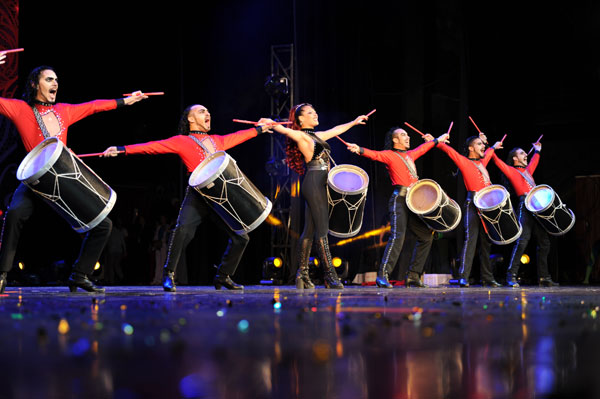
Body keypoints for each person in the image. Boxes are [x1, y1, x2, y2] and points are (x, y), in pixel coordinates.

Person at [0, 61, 148, 294]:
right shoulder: (22, 110)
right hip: (34, 182)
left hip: (63, 181)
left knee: (104, 225)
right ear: (33, 83)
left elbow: (93, 107)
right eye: (49, 79)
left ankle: (80, 275)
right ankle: (1, 274)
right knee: (15, 212)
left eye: (56, 79)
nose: (55, 83)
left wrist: (125, 101)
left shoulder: (64, 111)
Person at [102, 104, 272, 291]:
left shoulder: (217, 141)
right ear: (190, 119)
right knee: (182, 230)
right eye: (201, 111)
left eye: (208, 111)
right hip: (198, 194)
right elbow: (152, 147)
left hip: (219, 197)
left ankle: (223, 276)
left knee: (242, 238)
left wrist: (260, 128)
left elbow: (240, 136)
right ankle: (168, 274)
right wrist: (122, 149)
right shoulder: (182, 141)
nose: (207, 113)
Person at [263, 104, 368, 289]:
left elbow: (336, 130)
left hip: (320, 183)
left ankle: (302, 274)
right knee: (322, 230)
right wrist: (272, 124)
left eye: (315, 111)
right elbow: (285, 131)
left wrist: (354, 122)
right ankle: (330, 275)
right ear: (300, 120)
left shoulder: (316, 136)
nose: (315, 114)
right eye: (310, 112)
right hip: (314, 182)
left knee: (309, 231)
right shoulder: (302, 136)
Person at [346, 127, 449, 288]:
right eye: (403, 135)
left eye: (407, 134)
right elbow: (375, 154)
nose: (407, 137)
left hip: (414, 202)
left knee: (426, 237)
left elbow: (424, 147)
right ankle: (383, 275)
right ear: (395, 140)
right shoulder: (390, 155)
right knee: (397, 237)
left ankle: (413, 276)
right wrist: (359, 149)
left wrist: (437, 140)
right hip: (400, 200)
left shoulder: (410, 155)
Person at [436, 133, 503, 287]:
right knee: (471, 241)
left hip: (486, 203)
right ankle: (464, 276)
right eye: (479, 144)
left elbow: (489, 153)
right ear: (471, 148)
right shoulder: (464, 161)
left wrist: (493, 146)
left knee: (486, 242)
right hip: (472, 202)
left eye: (483, 145)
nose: (483, 147)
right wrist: (438, 141)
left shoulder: (482, 162)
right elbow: (449, 152)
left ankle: (487, 277)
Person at [492, 142, 558, 287]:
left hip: (536, 207)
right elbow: (497, 161)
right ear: (515, 158)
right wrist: (492, 148)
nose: (525, 155)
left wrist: (538, 150)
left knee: (544, 243)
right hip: (525, 207)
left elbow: (534, 161)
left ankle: (544, 277)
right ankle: (511, 276)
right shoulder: (512, 171)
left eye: (525, 153)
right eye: (522, 153)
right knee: (522, 242)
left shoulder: (527, 171)